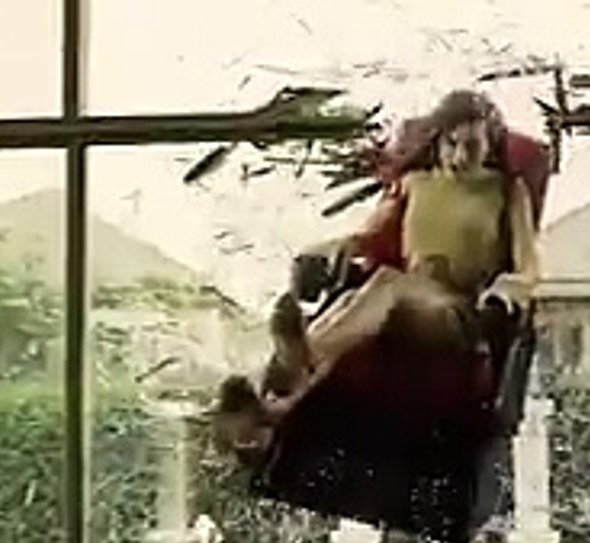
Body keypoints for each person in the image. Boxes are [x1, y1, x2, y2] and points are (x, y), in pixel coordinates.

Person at [214, 89, 542, 461]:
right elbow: (367, 236)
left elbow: (530, 269)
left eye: (471, 146)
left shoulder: (506, 190)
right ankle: (273, 409)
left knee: (384, 285)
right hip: (405, 299)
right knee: (348, 302)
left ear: (490, 145)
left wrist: (506, 289)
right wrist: (328, 248)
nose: (458, 156)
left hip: (459, 313)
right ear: (438, 139)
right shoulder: (415, 183)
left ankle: (300, 357)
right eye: (451, 143)